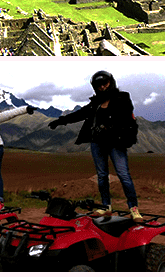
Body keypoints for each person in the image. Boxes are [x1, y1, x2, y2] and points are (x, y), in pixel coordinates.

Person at [48, 71, 141, 220]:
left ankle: (133, 208)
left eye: (105, 83)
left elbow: (126, 117)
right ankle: (106, 207)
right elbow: (79, 114)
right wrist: (60, 121)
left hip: (116, 142)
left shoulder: (122, 98)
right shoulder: (95, 103)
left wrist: (108, 126)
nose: (103, 87)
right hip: (98, 143)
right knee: (102, 176)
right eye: (99, 85)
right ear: (95, 87)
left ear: (111, 82)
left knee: (123, 175)